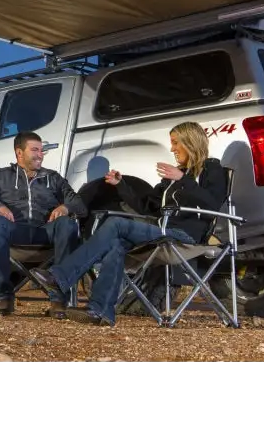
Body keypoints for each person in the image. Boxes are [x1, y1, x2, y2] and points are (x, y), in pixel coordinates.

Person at [30, 121, 227, 327]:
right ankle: (100, 311)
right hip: (161, 232)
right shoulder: (173, 176)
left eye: (176, 142)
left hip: (186, 236)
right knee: (115, 246)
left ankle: (60, 278)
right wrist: (121, 185)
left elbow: (213, 203)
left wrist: (183, 180)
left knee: (116, 224)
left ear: (190, 141)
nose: (172, 148)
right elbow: (146, 207)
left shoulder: (212, 168)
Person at [0, 130, 88, 317]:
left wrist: (65, 208)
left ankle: (58, 299)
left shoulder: (53, 178)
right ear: (19, 153)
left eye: (41, 150)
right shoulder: (1, 176)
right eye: (35, 150)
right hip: (16, 231)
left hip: (45, 231)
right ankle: (4, 296)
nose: (40, 155)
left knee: (67, 224)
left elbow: (80, 205)